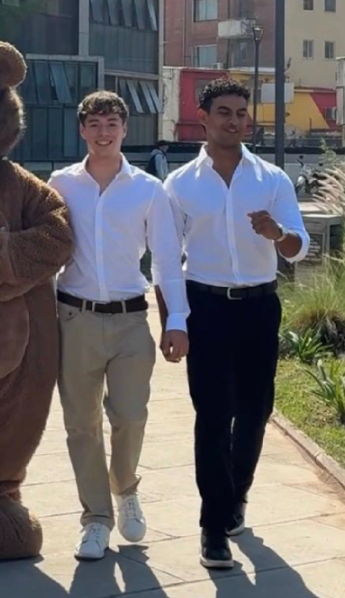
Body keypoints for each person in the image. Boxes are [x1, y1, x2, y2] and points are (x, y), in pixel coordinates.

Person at [163, 78, 309, 570]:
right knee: (212, 415)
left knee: (254, 411)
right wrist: (174, 321)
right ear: (203, 118)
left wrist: (277, 232)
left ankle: (236, 497)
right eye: (223, 111)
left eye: (241, 113)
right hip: (206, 308)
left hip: (258, 307)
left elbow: (298, 247)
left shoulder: (271, 180)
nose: (234, 120)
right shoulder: (180, 184)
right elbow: (166, 262)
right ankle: (213, 526)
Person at [48, 91, 190, 561]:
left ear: (125, 130)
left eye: (112, 124)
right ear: (82, 130)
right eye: (94, 124)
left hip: (131, 320)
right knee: (81, 425)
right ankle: (96, 519)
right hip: (75, 319)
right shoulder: (61, 184)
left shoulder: (149, 189)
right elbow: (47, 253)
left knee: (130, 416)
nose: (103, 132)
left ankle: (125, 488)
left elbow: (168, 261)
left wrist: (178, 322)